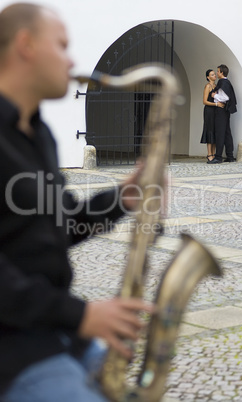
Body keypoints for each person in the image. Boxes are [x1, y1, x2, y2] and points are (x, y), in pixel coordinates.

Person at [0, 3, 155, 401]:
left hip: (56, 337)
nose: (72, 60)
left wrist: (123, 197)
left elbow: (62, 225)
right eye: (63, 45)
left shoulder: (39, 135)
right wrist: (82, 315)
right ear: (26, 45)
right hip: (15, 353)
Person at [208, 64, 237, 164]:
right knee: (227, 133)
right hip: (226, 111)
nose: (217, 73)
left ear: (222, 72)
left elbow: (225, 98)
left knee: (220, 133)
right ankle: (230, 156)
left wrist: (215, 96)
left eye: (218, 71)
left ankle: (218, 157)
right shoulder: (226, 82)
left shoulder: (223, 82)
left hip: (221, 110)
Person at [200, 69, 224, 162]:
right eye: (212, 74)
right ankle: (209, 154)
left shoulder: (216, 86)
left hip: (215, 111)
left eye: (214, 74)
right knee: (209, 130)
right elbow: (204, 101)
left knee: (214, 131)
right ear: (208, 77)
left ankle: (213, 154)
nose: (214, 76)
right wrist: (216, 104)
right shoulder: (208, 86)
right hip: (209, 111)